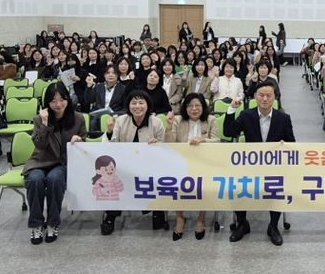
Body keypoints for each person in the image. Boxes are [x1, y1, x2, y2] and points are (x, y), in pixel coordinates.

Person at [223, 80, 296, 246]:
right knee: (238, 185)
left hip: (274, 166)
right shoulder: (246, 115)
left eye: (268, 95)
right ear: (255, 96)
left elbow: (292, 143)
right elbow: (228, 132)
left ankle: (273, 226)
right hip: (250, 165)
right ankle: (242, 224)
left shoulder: (283, 118)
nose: (264, 99)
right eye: (261, 95)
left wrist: (283, 148)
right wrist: (232, 109)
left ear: (274, 97)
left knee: (278, 185)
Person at [22, 83, 87, 244]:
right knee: (34, 179)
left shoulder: (78, 118)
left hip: (63, 162)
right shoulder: (39, 119)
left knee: (55, 179)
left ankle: (53, 222)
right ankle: (36, 224)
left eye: (62, 100)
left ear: (68, 99)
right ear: (47, 103)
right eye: (53, 101)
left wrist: (79, 140)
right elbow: (39, 145)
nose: (58, 104)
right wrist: (45, 124)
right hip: (40, 161)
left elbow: (84, 143)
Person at [101, 90, 165, 235]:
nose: (137, 106)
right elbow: (112, 146)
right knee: (112, 179)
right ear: (128, 106)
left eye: (141, 103)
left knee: (158, 177)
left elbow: (164, 148)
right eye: (134, 103)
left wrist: (157, 145)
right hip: (124, 166)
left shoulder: (156, 123)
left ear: (148, 105)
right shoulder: (121, 121)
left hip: (150, 166)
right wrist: (110, 132)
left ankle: (157, 211)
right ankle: (111, 216)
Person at [164, 93, 219, 241]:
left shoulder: (211, 119)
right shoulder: (177, 120)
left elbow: (217, 141)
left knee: (205, 185)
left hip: (204, 162)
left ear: (203, 107)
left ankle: (201, 218)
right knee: (175, 184)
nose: (194, 109)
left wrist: (203, 141)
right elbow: (169, 143)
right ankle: (179, 218)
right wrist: (169, 126)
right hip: (181, 162)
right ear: (185, 107)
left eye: (197, 105)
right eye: (190, 106)